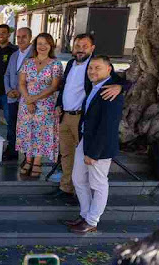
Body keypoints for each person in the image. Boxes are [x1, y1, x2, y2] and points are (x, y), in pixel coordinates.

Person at [52, 33, 124, 200]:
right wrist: (59, 105)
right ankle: (65, 188)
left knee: (82, 160)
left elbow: (120, 80)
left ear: (92, 48)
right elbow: (65, 87)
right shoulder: (70, 63)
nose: (80, 49)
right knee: (67, 154)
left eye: (85, 46)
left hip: (81, 119)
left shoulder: (94, 65)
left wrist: (120, 87)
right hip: (65, 116)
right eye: (77, 46)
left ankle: (82, 195)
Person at [62, 55, 124, 234]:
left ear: (109, 69)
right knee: (78, 179)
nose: (93, 71)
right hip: (86, 140)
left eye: (98, 68)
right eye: (91, 68)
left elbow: (107, 126)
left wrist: (94, 153)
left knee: (98, 184)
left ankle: (92, 220)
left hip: (100, 147)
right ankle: (85, 214)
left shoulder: (111, 91)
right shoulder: (96, 86)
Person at [16, 33, 63, 178]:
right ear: (35, 46)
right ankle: (28, 160)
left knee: (41, 134)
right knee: (27, 131)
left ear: (51, 46)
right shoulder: (28, 62)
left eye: (46, 43)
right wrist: (28, 100)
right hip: (26, 103)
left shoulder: (55, 64)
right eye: (39, 43)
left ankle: (37, 161)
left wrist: (34, 99)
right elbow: (22, 83)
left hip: (45, 105)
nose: (42, 46)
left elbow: (54, 87)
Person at [3, 27, 33, 161]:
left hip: (25, 98)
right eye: (19, 37)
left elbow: (33, 79)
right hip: (11, 98)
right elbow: (7, 74)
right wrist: (9, 90)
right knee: (11, 124)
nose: (21, 39)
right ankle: (12, 151)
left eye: (24, 36)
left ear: (30, 38)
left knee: (26, 127)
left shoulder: (34, 54)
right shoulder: (14, 54)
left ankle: (28, 157)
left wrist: (20, 93)